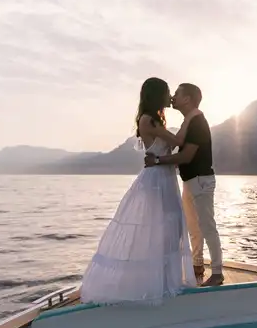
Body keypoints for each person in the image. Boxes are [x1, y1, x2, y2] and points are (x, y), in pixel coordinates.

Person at [79, 77, 198, 304]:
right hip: (157, 180)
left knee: (168, 229)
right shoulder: (149, 120)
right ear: (157, 94)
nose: (170, 96)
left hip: (164, 176)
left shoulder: (154, 120)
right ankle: (158, 283)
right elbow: (179, 140)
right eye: (167, 92)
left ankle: (164, 280)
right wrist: (192, 115)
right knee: (159, 229)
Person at [144, 83, 224, 287]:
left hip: (201, 180)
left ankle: (217, 273)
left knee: (207, 226)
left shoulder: (197, 121)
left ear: (187, 99)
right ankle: (197, 265)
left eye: (177, 94)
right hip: (190, 180)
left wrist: (158, 161)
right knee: (193, 226)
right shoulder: (190, 120)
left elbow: (187, 156)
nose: (172, 97)